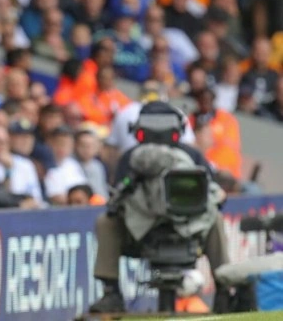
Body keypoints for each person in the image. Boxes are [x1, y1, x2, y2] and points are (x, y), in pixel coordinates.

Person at [89, 101, 231, 314]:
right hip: (143, 231)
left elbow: (209, 195)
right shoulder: (131, 159)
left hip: (188, 228)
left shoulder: (192, 157)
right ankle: (111, 292)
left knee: (215, 220)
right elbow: (118, 196)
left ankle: (224, 289)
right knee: (106, 222)